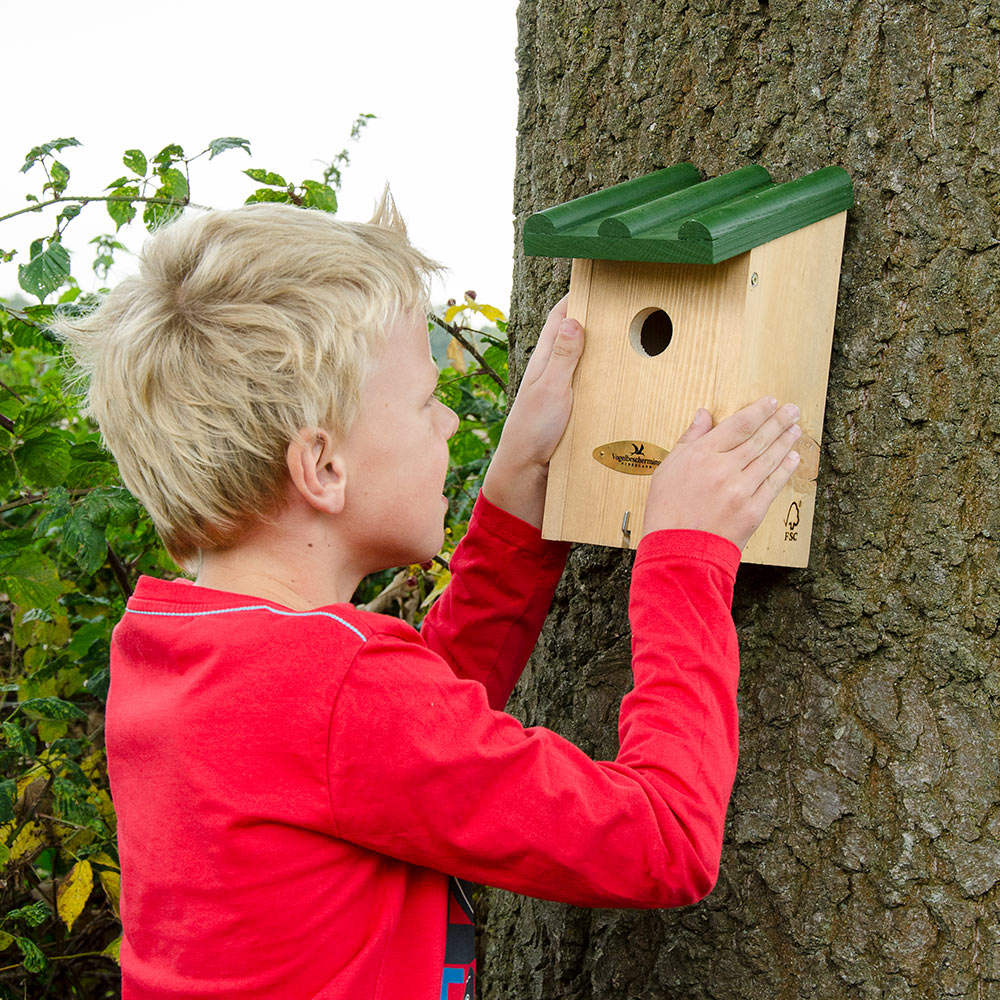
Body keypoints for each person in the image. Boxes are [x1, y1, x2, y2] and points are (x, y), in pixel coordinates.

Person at [57, 197, 802, 1000]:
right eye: (423, 401)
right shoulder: (339, 697)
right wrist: (687, 558)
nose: (448, 421)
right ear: (324, 468)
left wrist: (517, 509)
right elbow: (662, 837)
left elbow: (408, 746)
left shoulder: (175, 648)